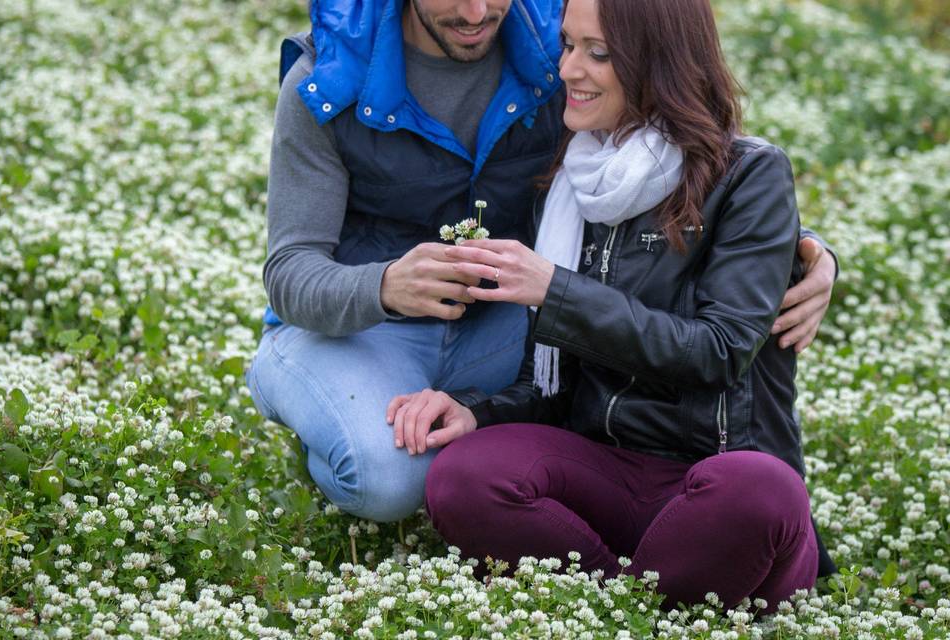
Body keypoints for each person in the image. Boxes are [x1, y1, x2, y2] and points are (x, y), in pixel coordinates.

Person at [246, 0, 837, 524]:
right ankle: (323, 412)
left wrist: (796, 244)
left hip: (508, 325)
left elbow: (674, 144)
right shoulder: (326, 78)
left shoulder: (555, 47)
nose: (478, 13)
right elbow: (289, 272)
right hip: (367, 329)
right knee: (385, 483)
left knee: (548, 426)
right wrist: (386, 285)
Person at [386, 0, 835, 611]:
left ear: (662, 62)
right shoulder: (573, 180)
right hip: (605, 472)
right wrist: (476, 415)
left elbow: (718, 353)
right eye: (568, 45)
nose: (570, 68)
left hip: (718, 477)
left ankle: (622, 604)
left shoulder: (747, 175)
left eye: (598, 53)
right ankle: (638, 605)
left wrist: (557, 290)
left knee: (760, 492)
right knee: (467, 474)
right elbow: (550, 385)